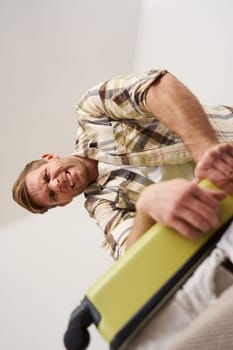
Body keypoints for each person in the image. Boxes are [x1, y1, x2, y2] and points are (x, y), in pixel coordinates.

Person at [13, 68, 233, 348]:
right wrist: (147, 205)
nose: (58, 184)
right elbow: (133, 258)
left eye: (47, 176)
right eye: (53, 195)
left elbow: (156, 86)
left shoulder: (92, 112)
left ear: (49, 157)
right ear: (64, 203)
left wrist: (206, 151)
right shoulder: (102, 207)